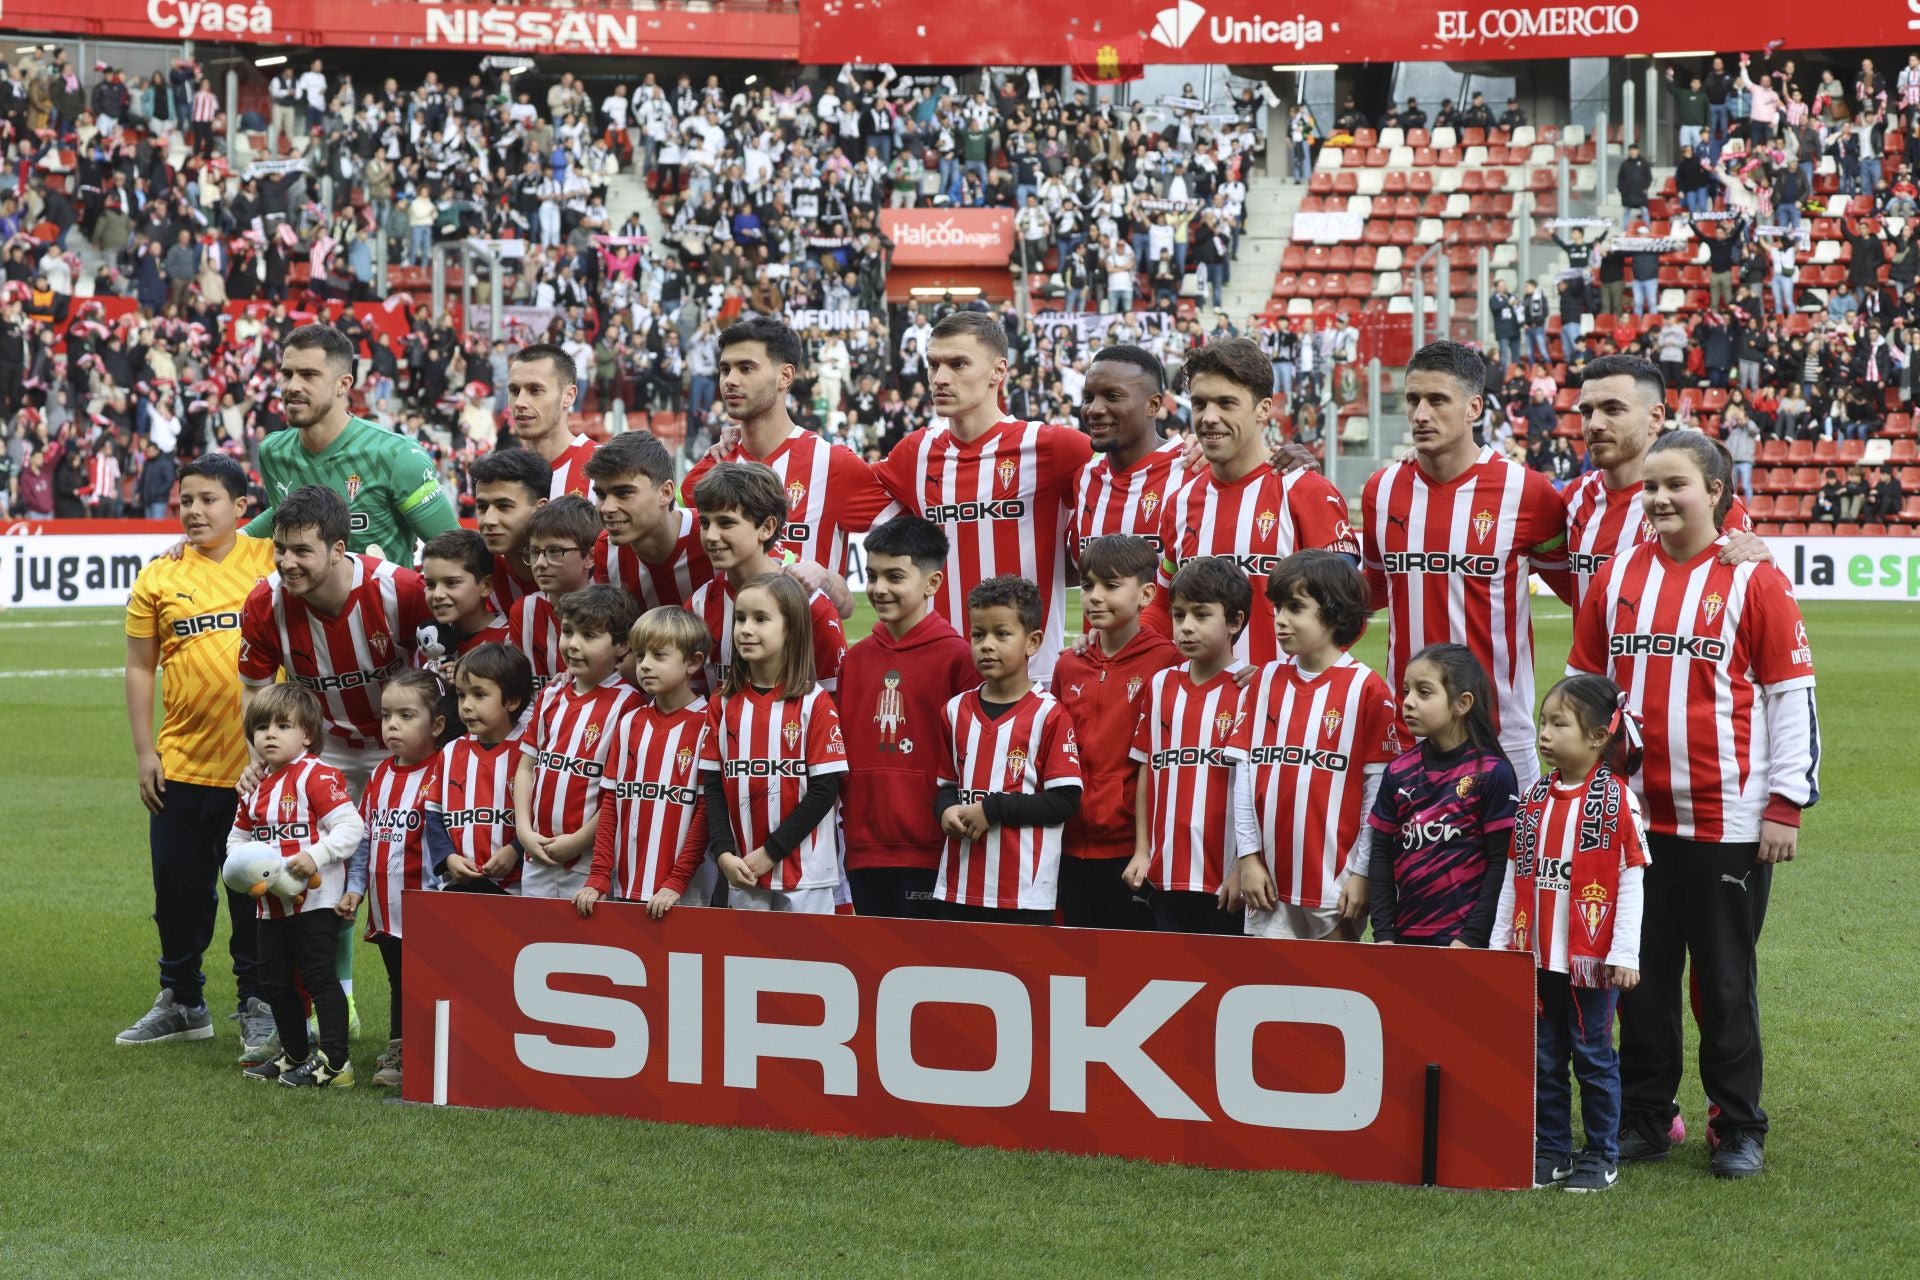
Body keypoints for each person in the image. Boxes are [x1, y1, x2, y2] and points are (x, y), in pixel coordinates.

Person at [1569, 431, 1820, 1180]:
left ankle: (1738, 1125)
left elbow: (1790, 696)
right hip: (1635, 822)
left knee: (1724, 980)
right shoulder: (1616, 577)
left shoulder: (1755, 579)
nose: (1658, 499)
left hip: (1727, 821)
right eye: (1649, 486)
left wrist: (1785, 804)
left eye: (1674, 484)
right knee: (1636, 978)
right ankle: (1647, 1118)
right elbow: (1587, 690)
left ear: (1715, 491)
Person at [118, 453, 276, 1055]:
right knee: (178, 894)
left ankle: (259, 1002)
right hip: (180, 763)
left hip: (259, 768)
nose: (193, 510)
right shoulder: (158, 576)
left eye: (208, 499)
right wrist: (143, 752)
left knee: (254, 892)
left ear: (241, 509)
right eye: (186, 500)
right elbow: (138, 666)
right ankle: (182, 1001)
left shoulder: (268, 561)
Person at [1361, 340, 1567, 789]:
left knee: (1507, 863)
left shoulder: (1527, 492)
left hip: (1499, 738)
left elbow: (1583, 588)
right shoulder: (1382, 489)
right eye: (1412, 399)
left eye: (1437, 400)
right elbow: (1370, 593)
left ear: (1474, 407)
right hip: (1408, 735)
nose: (1419, 414)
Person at [873, 310, 1092, 685]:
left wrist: (1187, 450)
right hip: (941, 675)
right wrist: (737, 443)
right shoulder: (915, 452)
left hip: (1031, 678)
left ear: (998, 371)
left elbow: (1133, 476)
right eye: (933, 364)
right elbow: (832, 484)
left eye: (958, 364)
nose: (940, 378)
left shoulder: (1051, 447)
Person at [1493, 673, 1648, 1192]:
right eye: (1543, 721)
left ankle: (1600, 1153)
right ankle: (1553, 1150)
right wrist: (1499, 946)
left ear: (1599, 736)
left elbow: (1630, 879)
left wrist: (1624, 951)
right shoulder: (1534, 797)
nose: (1545, 733)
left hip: (1591, 963)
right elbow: (1515, 880)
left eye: (1559, 724)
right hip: (1536, 957)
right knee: (1544, 1059)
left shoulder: (1616, 801)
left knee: (1594, 1059)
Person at [1150, 338, 1357, 666]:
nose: (1208, 417)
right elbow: (1163, 605)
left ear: (1263, 409)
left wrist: (1286, 680)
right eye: (1200, 403)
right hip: (1202, 710)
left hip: (1284, 711)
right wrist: (1109, 643)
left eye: (1226, 403)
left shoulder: (1306, 491)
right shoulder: (1180, 502)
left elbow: (1347, 610)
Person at [1232, 551, 1400, 941]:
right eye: (1277, 608)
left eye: (1295, 608)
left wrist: (1361, 874)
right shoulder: (1264, 681)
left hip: (1334, 883)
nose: (1280, 619)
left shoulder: (1368, 689)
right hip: (1268, 881)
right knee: (1267, 991)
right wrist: (1248, 858)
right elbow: (1244, 778)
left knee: (1330, 990)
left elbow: (1378, 797)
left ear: (1335, 613)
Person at [839, 516, 977, 919]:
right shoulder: (857, 658)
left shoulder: (959, 658)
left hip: (930, 846)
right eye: (872, 575)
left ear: (932, 584)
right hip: (862, 846)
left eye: (895, 576)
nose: (879, 589)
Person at [682, 316, 890, 584]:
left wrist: (841, 588)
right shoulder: (712, 468)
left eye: (746, 368)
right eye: (725, 369)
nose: (730, 380)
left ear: (785, 376)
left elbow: (908, 533)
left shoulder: (832, 464)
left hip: (810, 624)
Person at [232, 685, 366, 1089]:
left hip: (316, 901)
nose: (269, 734)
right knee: (273, 980)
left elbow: (351, 826)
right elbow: (236, 839)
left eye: (282, 725)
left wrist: (317, 854)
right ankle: (294, 1055)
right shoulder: (253, 786)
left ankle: (337, 1064)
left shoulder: (318, 775)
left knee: (319, 977)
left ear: (306, 733)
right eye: (260, 727)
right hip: (270, 907)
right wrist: (243, 873)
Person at [1552, 356, 1759, 616]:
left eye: (1613, 409)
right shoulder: (1574, 498)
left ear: (1656, 417)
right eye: (1586, 412)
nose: (1595, 424)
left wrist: (1758, 552)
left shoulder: (1707, 502)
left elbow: (1747, 592)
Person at [933, 575, 1082, 924]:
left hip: (1024, 897)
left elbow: (1065, 802)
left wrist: (994, 808)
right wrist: (945, 812)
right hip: (959, 886)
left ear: (1032, 642)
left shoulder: (1050, 714)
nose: (987, 645)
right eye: (978, 635)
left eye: (1001, 635)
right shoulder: (954, 711)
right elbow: (945, 787)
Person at [241, 324, 459, 557]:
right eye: (287, 374)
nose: (292, 386)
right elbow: (281, 511)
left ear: (343, 384)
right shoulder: (273, 451)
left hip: (384, 595)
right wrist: (237, 539)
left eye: (308, 375)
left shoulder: (397, 455)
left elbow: (458, 553)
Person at [701, 573, 848, 914]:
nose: (746, 629)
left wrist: (770, 853)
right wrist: (724, 852)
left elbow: (825, 790)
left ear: (792, 629)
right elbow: (712, 787)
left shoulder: (814, 702)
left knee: (806, 966)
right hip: (743, 872)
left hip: (806, 876)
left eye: (761, 619)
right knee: (748, 966)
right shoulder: (722, 704)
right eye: (740, 619)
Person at [1053, 535, 1179, 929]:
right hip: (1069, 845)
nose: (1094, 596)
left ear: (1146, 594)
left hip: (1129, 849)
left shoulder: (1168, 662)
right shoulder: (1069, 665)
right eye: (1088, 585)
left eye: (1111, 586)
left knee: (1128, 964)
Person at [1120, 557, 1249, 934]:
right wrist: (1143, 850)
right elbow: (1148, 767)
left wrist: (1243, 865)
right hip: (1166, 872)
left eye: (1201, 615)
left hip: (1224, 877)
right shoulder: (1161, 685)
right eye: (1178, 615)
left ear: (1235, 622)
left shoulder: (1252, 691)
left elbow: (1255, 788)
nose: (1186, 627)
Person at [346, 668, 456, 1089]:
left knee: (434, 978)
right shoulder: (380, 775)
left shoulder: (445, 770)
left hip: (429, 905)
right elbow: (363, 839)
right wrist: (356, 889)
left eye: (406, 716)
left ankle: (435, 1049)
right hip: (387, 906)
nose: (392, 725)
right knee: (400, 979)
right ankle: (401, 1044)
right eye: (387, 715)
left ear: (438, 724)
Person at [1365, 643, 1517, 947]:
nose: (1408, 702)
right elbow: (1380, 855)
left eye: (1424, 692)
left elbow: (1502, 863)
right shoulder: (1397, 772)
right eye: (1406, 691)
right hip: (1404, 940)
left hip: (1464, 943)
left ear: (1462, 703)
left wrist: (1472, 937)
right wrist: (1383, 933)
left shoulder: (1492, 773)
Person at [576, 607, 713, 919]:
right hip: (625, 885)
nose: (646, 666)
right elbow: (611, 802)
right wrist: (598, 876)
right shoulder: (630, 722)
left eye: (659, 655)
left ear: (693, 662)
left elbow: (706, 811)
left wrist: (677, 880)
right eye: (640, 656)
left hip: (685, 892)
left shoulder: (709, 726)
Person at [514, 585, 642, 900]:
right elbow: (527, 767)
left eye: (589, 635)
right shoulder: (550, 695)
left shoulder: (630, 705)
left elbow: (621, 792)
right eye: (568, 632)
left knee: (588, 947)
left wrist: (580, 840)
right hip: (537, 853)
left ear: (622, 645)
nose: (573, 644)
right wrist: (524, 831)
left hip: (589, 861)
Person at [689, 463, 847, 696]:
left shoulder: (810, 604)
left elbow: (836, 699)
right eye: (705, 523)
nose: (711, 536)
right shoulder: (699, 605)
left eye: (726, 523)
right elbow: (694, 699)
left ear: (767, 527)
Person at [427, 643, 535, 894]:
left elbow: (542, 816)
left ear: (512, 700)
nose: (466, 705)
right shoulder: (451, 751)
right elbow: (433, 815)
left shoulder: (530, 751)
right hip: (458, 884)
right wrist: (448, 858)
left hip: (514, 888)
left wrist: (516, 850)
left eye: (479, 695)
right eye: (462, 695)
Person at [1071, 345, 1193, 565]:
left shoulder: (1193, 467)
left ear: (1153, 405)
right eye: (1088, 397)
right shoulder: (1086, 478)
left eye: (1113, 396)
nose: (1094, 409)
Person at [586, 430, 713, 611]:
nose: (607, 507)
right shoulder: (606, 550)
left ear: (666, 493)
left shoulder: (711, 533)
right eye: (600, 494)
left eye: (623, 493)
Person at [508, 495, 600, 692]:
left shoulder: (611, 611)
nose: (540, 563)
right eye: (534, 552)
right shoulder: (525, 611)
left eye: (554, 551)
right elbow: (525, 695)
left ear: (590, 556)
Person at [505, 343, 597, 499]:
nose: (519, 402)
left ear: (568, 396)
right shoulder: (506, 472)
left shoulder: (603, 468)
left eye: (535, 390)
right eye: (514, 391)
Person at [415, 529, 508, 677]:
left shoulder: (510, 639)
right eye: (430, 584)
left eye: (451, 583)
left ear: (486, 585)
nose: (438, 595)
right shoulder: (427, 640)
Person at [471, 448, 553, 615]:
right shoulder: (478, 570)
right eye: (482, 507)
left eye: (504, 506)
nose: (488, 520)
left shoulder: (575, 569)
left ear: (541, 508)